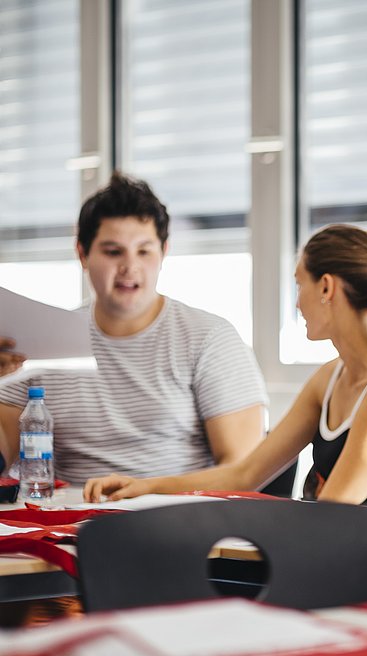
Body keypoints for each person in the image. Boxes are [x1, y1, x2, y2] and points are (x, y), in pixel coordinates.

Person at [84, 224, 367, 508]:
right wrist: (144, 486)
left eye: (299, 284)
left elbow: (337, 506)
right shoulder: (329, 379)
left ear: (326, 288)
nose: (297, 303)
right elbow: (247, 473)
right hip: (340, 549)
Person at [0, 172, 267, 484]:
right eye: (113, 252)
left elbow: (245, 472)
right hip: (68, 526)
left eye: (144, 251)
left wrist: (143, 491)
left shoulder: (208, 339)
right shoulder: (46, 345)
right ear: (83, 255)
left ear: (163, 253)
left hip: (176, 522)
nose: (130, 267)